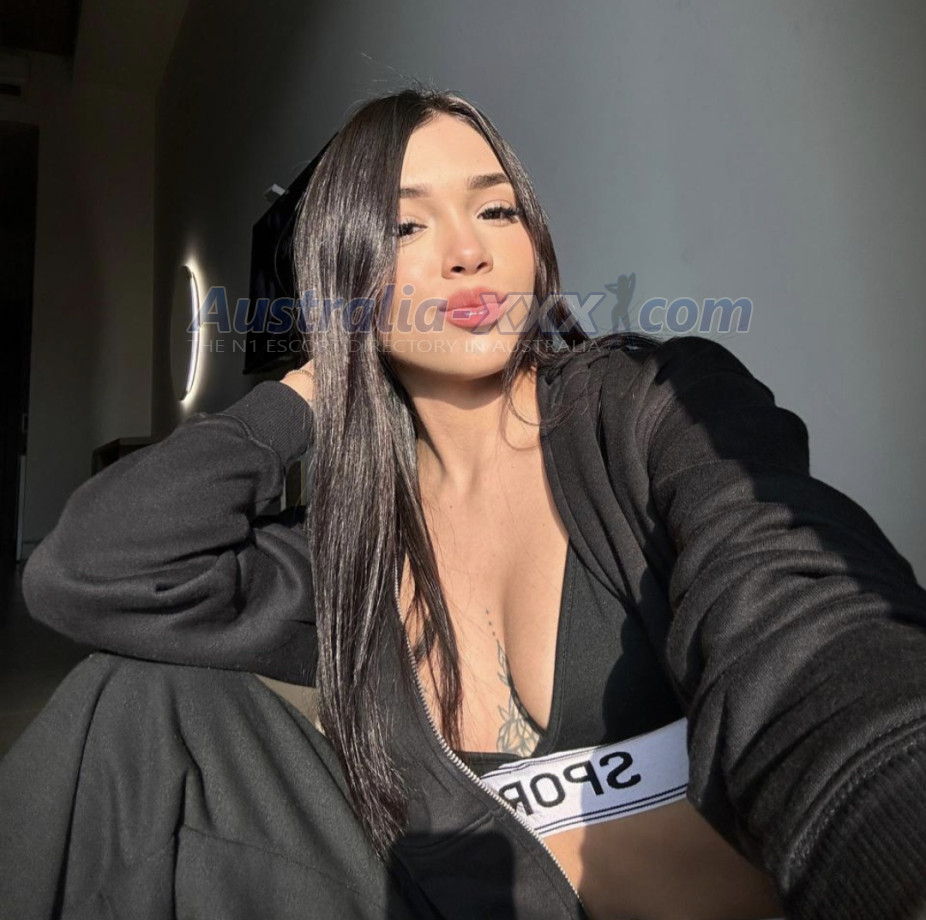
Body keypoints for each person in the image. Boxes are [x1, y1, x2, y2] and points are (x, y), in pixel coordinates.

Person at [2, 86, 926, 920]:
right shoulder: (352, 543)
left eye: (496, 208)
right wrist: (316, 383)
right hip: (424, 894)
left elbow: (798, 612)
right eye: (405, 227)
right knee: (143, 698)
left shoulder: (648, 408)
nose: (469, 252)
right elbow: (85, 573)